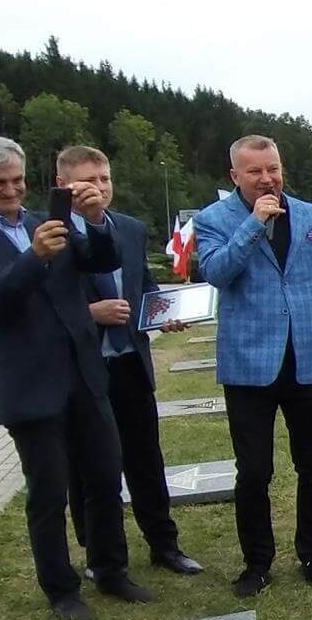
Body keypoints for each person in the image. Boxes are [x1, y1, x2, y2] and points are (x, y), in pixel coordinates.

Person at [0, 137, 152, 620]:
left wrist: (95, 221)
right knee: (49, 492)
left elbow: (100, 261)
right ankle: (61, 589)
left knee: (105, 477)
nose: (11, 190)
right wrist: (34, 256)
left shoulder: (46, 219)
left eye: (17, 180)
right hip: (31, 384)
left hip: (84, 373)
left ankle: (111, 569)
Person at [192, 135, 312, 597]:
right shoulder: (213, 220)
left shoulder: (311, 217)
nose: (267, 179)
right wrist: (254, 223)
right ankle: (257, 563)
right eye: (255, 172)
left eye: (274, 168)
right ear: (235, 176)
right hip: (249, 365)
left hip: (306, 361)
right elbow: (216, 273)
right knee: (253, 472)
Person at [54, 146, 204, 577]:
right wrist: (90, 315)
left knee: (146, 461)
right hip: (81, 369)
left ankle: (164, 545)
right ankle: (98, 554)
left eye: (105, 178)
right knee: (88, 469)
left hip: (130, 363)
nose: (100, 187)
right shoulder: (49, 233)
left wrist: (166, 313)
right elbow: (42, 305)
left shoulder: (131, 229)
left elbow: (146, 288)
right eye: (88, 180)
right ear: (63, 185)